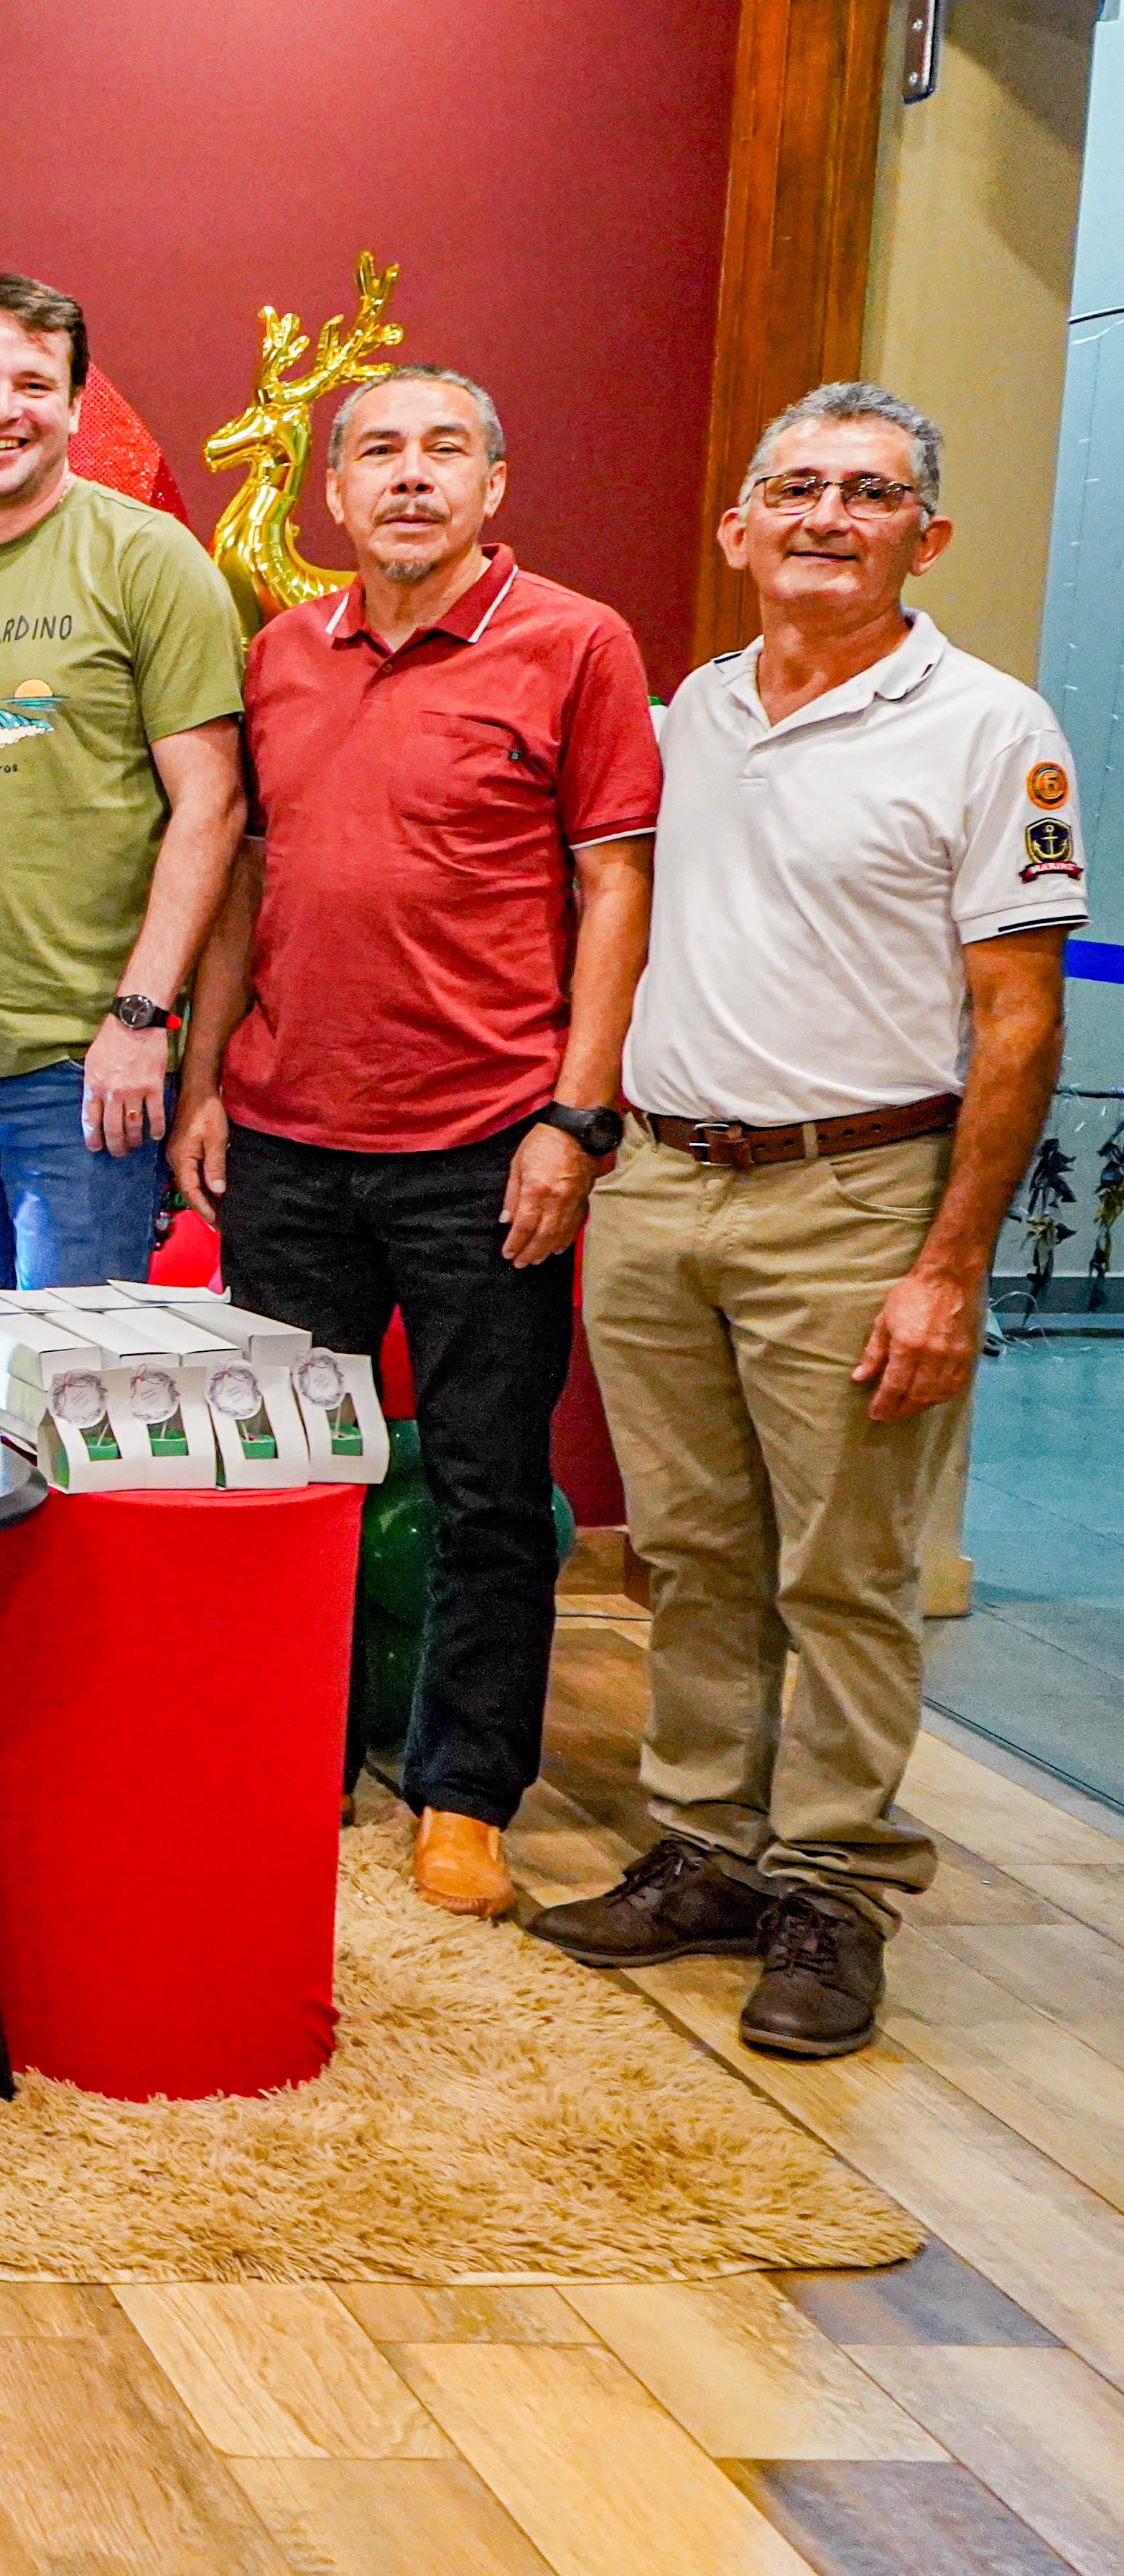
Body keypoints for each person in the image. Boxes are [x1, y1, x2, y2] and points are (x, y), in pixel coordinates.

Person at [534, 383, 1074, 2061]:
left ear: (930, 533)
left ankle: (832, 1887)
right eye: (797, 487)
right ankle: (702, 1842)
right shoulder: (688, 711)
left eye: (871, 490)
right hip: (667, 1183)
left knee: (845, 1567)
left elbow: (1020, 1022)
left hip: (859, 1197)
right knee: (690, 1551)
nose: (828, 515)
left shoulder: (991, 728)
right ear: (739, 525)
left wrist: (948, 1262)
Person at [169, 367, 658, 1921]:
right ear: (331, 491)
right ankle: (286, 1750)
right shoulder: (279, 656)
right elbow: (248, 883)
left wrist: (575, 1115)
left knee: (489, 1487)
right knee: (281, 1477)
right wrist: (205, 1085)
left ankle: (463, 1793)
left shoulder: (575, 644)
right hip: (292, 1139)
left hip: (483, 1142)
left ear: (495, 485)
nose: (410, 475)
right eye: (377, 450)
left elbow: (615, 893)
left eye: (446, 449)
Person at [0, 274, 246, 1301]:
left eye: (34, 382)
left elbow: (215, 803)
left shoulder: (148, 560)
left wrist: (143, 1020)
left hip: (83, 1070)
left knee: (70, 1410)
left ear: (72, 406)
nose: (3, 409)